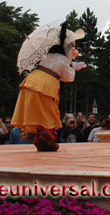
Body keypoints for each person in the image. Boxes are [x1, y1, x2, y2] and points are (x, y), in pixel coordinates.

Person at [12, 21, 86, 151]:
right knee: (48, 110)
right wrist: (73, 68)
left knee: (36, 111)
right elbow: (68, 77)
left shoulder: (46, 56)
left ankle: (38, 136)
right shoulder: (63, 59)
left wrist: (70, 65)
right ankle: (47, 135)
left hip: (31, 81)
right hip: (46, 84)